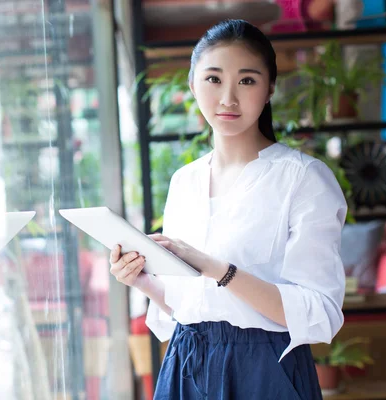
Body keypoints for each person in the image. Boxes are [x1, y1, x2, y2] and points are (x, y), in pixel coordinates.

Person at [110, 19, 347, 399]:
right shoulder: (184, 181)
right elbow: (192, 305)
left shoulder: (303, 179)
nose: (228, 99)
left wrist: (216, 268)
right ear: (192, 85)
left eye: (247, 81)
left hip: (266, 368)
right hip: (185, 362)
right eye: (214, 79)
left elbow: (319, 311)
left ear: (270, 88)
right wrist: (144, 282)